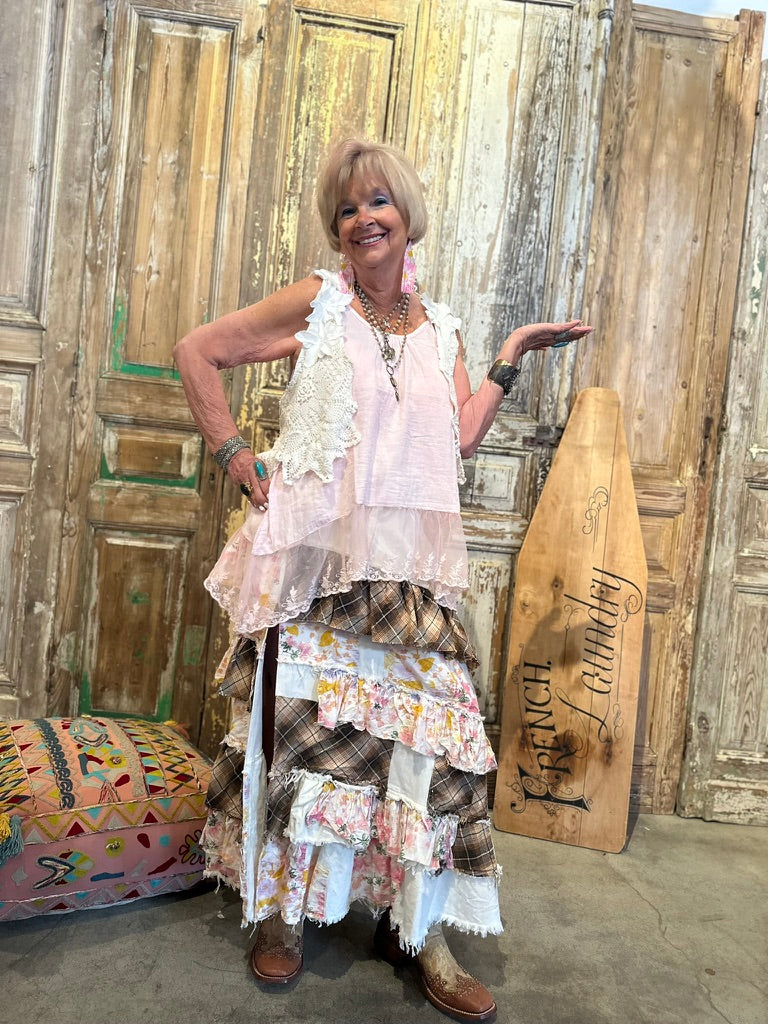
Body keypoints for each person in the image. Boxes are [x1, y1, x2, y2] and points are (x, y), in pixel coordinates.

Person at [174, 138, 591, 1022]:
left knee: (427, 759)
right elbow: (196, 350)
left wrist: (511, 354)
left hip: (411, 576)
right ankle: (284, 915)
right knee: (299, 744)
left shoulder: (442, 328)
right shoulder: (319, 302)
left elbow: (461, 437)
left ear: (407, 217)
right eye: (347, 209)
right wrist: (235, 453)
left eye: (377, 203)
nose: (362, 219)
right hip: (323, 570)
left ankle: (422, 933)